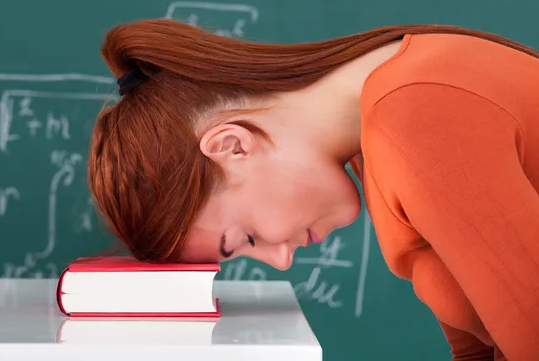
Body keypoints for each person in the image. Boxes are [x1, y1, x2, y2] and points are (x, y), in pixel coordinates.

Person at [87, 19, 539, 360]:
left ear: (231, 146)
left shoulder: (413, 116)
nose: (281, 259)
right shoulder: (383, 126)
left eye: (245, 239)